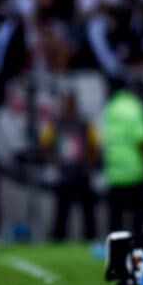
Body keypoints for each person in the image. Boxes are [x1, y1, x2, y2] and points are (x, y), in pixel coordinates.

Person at [40, 93, 97, 241]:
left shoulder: (84, 124)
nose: (69, 107)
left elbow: (94, 145)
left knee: (88, 212)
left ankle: (89, 239)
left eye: (71, 103)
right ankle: (59, 240)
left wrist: (89, 165)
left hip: (81, 173)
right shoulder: (56, 124)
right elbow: (45, 142)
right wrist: (52, 159)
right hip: (64, 174)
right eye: (66, 103)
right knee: (62, 212)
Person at [101, 77, 143, 235]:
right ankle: (136, 246)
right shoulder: (135, 107)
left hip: (114, 170)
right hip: (134, 169)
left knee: (116, 217)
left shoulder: (110, 108)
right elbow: (141, 139)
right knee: (138, 214)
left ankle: (116, 251)